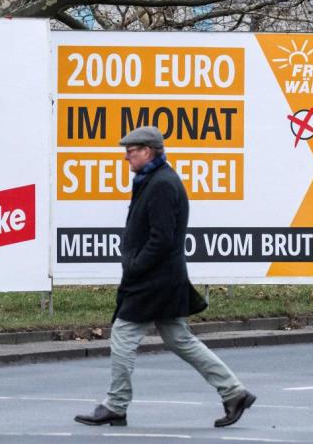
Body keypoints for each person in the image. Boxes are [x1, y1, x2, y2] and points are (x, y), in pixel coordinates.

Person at [75, 126, 257, 429]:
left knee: (122, 335)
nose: (126, 156)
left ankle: (115, 404)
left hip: (153, 280)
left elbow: (161, 238)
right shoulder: (155, 180)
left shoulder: (160, 184)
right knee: (179, 339)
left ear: (148, 151)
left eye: (131, 151)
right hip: (162, 278)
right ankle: (234, 392)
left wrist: (135, 266)